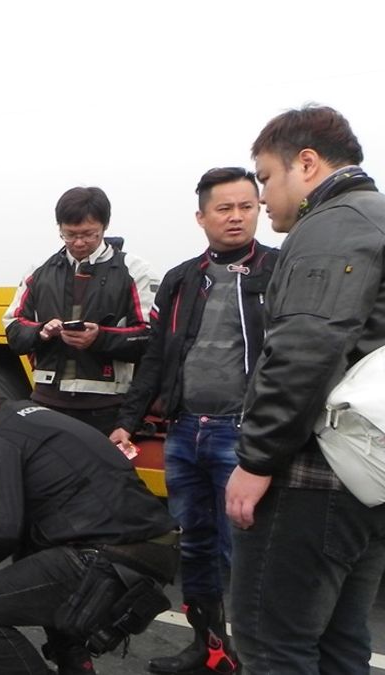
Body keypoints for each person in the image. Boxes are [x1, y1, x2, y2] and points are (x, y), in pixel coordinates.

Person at [225, 105, 385, 673]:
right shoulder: (377, 217)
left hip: (317, 473)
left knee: (271, 645)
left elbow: (304, 350)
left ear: (308, 164)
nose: (262, 195)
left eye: (266, 177)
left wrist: (256, 459)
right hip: (368, 476)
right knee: (340, 644)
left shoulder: (336, 224)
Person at [109, 167, 275, 674]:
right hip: (186, 430)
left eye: (246, 206)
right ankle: (209, 647)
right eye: (223, 208)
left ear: (259, 210)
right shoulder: (182, 279)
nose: (236, 216)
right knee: (196, 544)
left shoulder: (279, 269)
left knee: (247, 549)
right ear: (201, 216)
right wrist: (128, 421)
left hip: (243, 435)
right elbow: (156, 358)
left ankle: (253, 654)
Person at [0, 377, 178, 674]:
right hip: (156, 549)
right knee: (35, 561)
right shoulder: (32, 417)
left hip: (108, 556)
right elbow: (40, 505)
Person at [2, 187, 156, 434]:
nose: (79, 242)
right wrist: (41, 331)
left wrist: (100, 338)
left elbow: (151, 338)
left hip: (107, 406)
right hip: (46, 400)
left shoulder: (135, 270)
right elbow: (13, 328)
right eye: (69, 234)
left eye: (89, 234)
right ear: (59, 228)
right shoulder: (39, 271)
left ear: (105, 226)